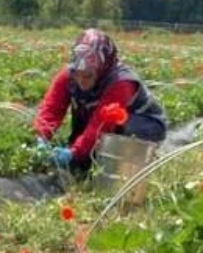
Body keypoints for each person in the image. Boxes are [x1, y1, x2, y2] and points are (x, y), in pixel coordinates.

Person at [33, 28, 167, 174]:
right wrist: (42, 137)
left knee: (110, 158)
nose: (81, 80)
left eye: (88, 76)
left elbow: (102, 124)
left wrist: (75, 153)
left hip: (142, 125)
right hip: (105, 123)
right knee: (82, 157)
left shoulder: (121, 83)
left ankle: (134, 164)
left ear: (101, 69)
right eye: (78, 74)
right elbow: (51, 108)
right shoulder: (67, 76)